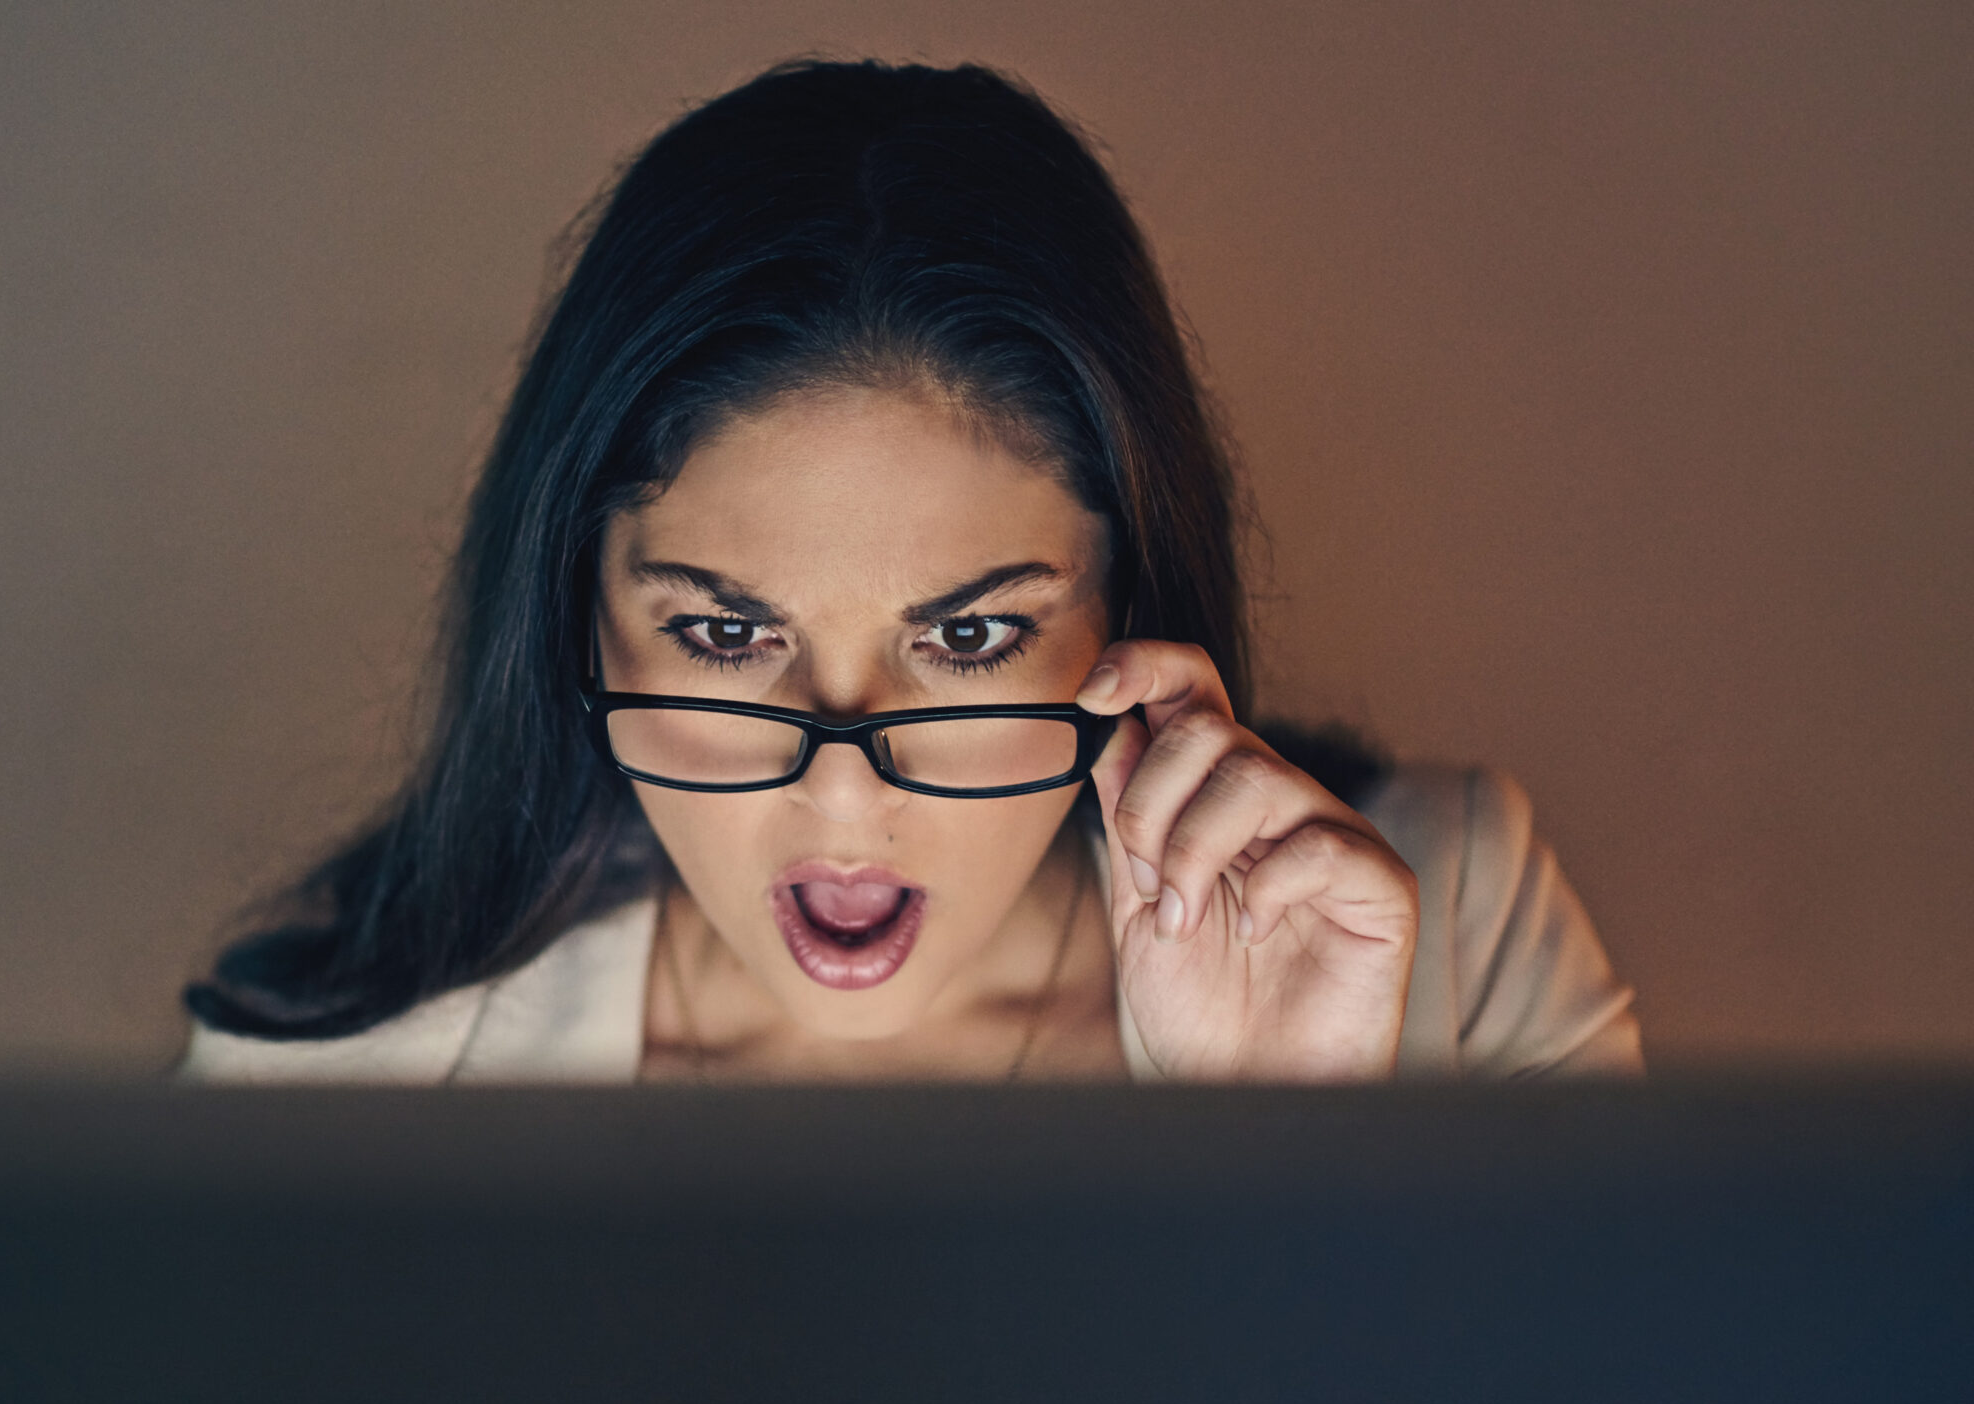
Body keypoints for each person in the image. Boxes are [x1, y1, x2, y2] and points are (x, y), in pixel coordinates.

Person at [181, 59, 1640, 1085]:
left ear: (1127, 614)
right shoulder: (335, 1086)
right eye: (720, 629)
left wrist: (1283, 1165)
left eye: (970, 637)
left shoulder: (1448, 936)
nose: (843, 795)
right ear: (580, 620)